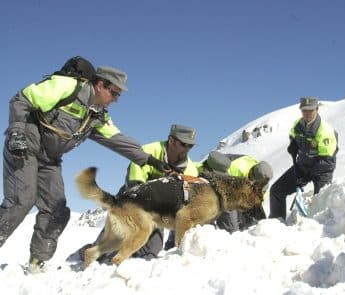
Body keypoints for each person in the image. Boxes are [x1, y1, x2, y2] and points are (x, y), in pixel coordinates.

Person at [0, 58, 173, 272]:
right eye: (115, 93)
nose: (116, 99)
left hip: (49, 161)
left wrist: (151, 160)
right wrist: (17, 132)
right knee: (21, 201)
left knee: (57, 210)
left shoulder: (97, 116)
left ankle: (36, 263)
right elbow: (22, 99)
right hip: (24, 147)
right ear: (100, 85)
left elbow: (119, 140)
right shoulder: (67, 87)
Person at [77, 124, 198, 262]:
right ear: (171, 141)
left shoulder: (191, 171)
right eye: (184, 144)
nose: (187, 149)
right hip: (133, 196)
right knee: (116, 237)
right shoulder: (147, 152)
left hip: (160, 209)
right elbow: (134, 185)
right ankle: (91, 253)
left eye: (191, 146)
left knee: (150, 253)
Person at [269, 96, 338, 220]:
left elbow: (328, 162)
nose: (307, 113)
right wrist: (293, 145)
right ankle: (276, 223)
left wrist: (306, 173)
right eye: (304, 110)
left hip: (322, 171)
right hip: (303, 165)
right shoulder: (298, 125)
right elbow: (294, 135)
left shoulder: (325, 131)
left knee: (321, 202)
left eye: (310, 110)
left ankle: (320, 229)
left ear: (317, 109)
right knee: (276, 191)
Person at [198, 151, 273, 232]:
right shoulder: (237, 167)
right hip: (216, 180)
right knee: (232, 228)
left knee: (252, 222)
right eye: (252, 178)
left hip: (236, 190)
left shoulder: (263, 183)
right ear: (252, 171)